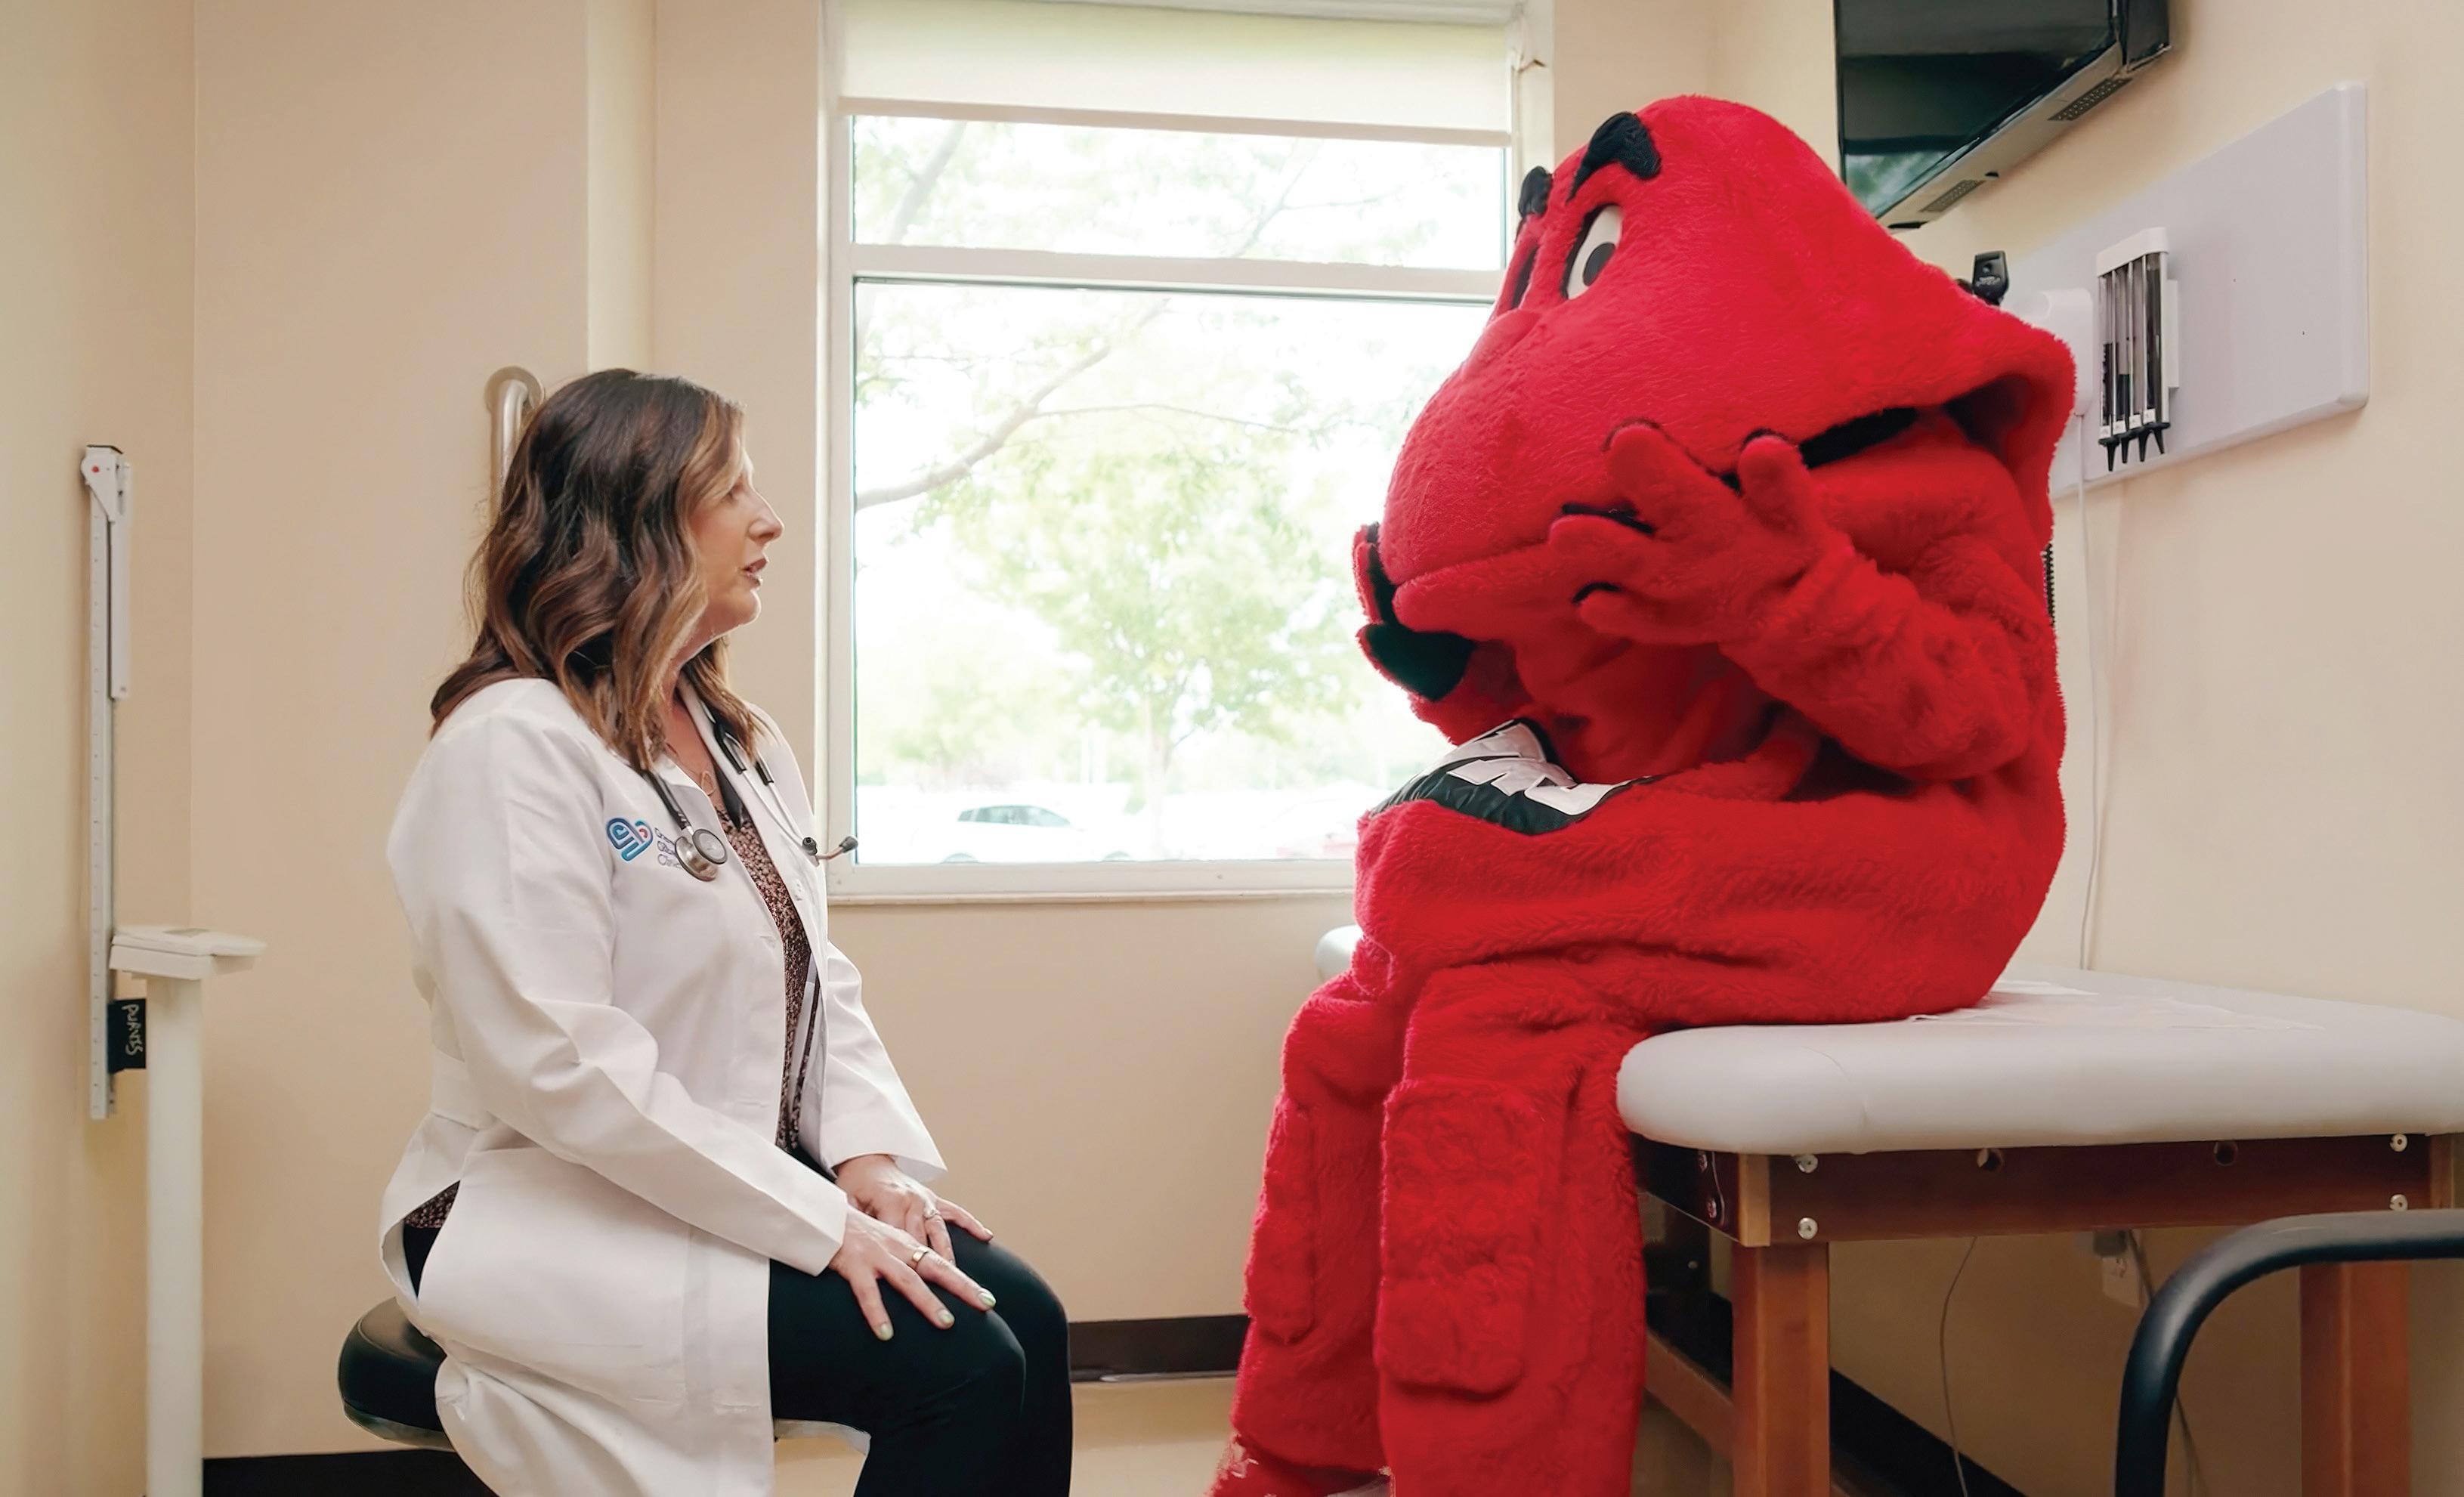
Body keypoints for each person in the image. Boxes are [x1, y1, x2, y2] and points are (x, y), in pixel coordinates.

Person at [375, 370, 1071, 1497]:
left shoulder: (736, 737)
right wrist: (815, 1217)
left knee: (1026, 1318)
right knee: (959, 1367)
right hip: (546, 1203)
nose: (769, 520)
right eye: (733, 490)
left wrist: (864, 1163)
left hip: (718, 1181)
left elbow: (814, 976)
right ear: (635, 521)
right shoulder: (511, 744)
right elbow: (559, 1063)